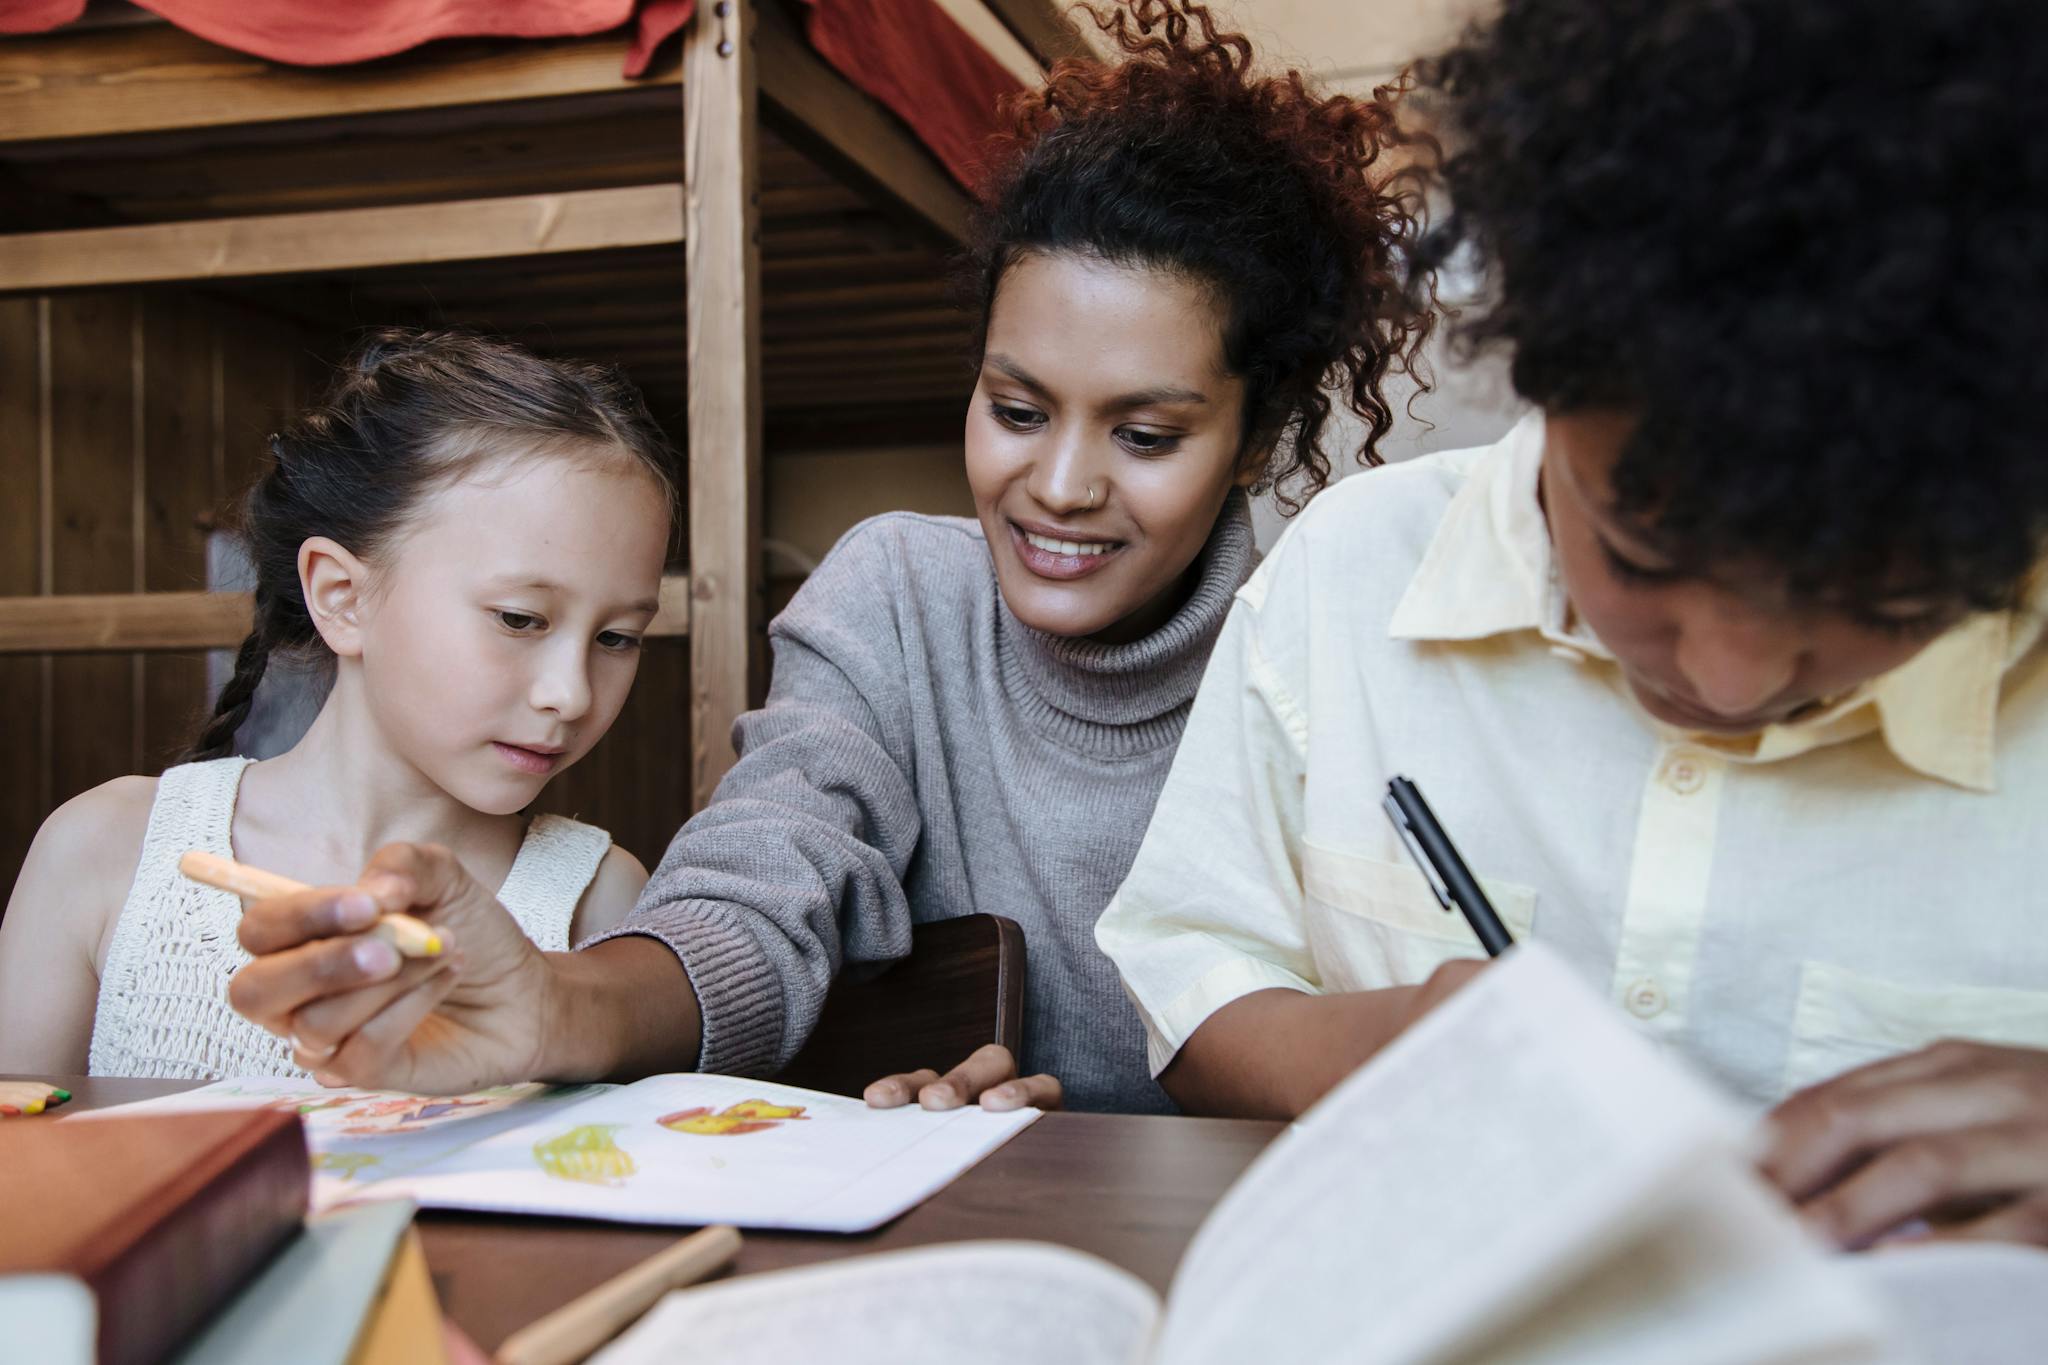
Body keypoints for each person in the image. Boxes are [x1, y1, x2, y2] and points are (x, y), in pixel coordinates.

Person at [213, 0, 1429, 1115]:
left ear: (1254, 435)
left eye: (1147, 433)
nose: (1058, 485)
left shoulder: (1327, 653)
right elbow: (756, 886)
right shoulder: (898, 600)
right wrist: (552, 1003)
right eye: (1014, 409)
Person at [1096, 0, 2048, 1247]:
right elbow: (1190, 961)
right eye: (1642, 556)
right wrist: (1360, 1045)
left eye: (1876, 602)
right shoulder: (1350, 574)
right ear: (1537, 367)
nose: (1728, 673)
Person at [0, 329, 675, 1080]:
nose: (572, 693)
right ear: (342, 596)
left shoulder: (599, 900)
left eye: (617, 637)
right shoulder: (108, 851)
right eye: (520, 618)